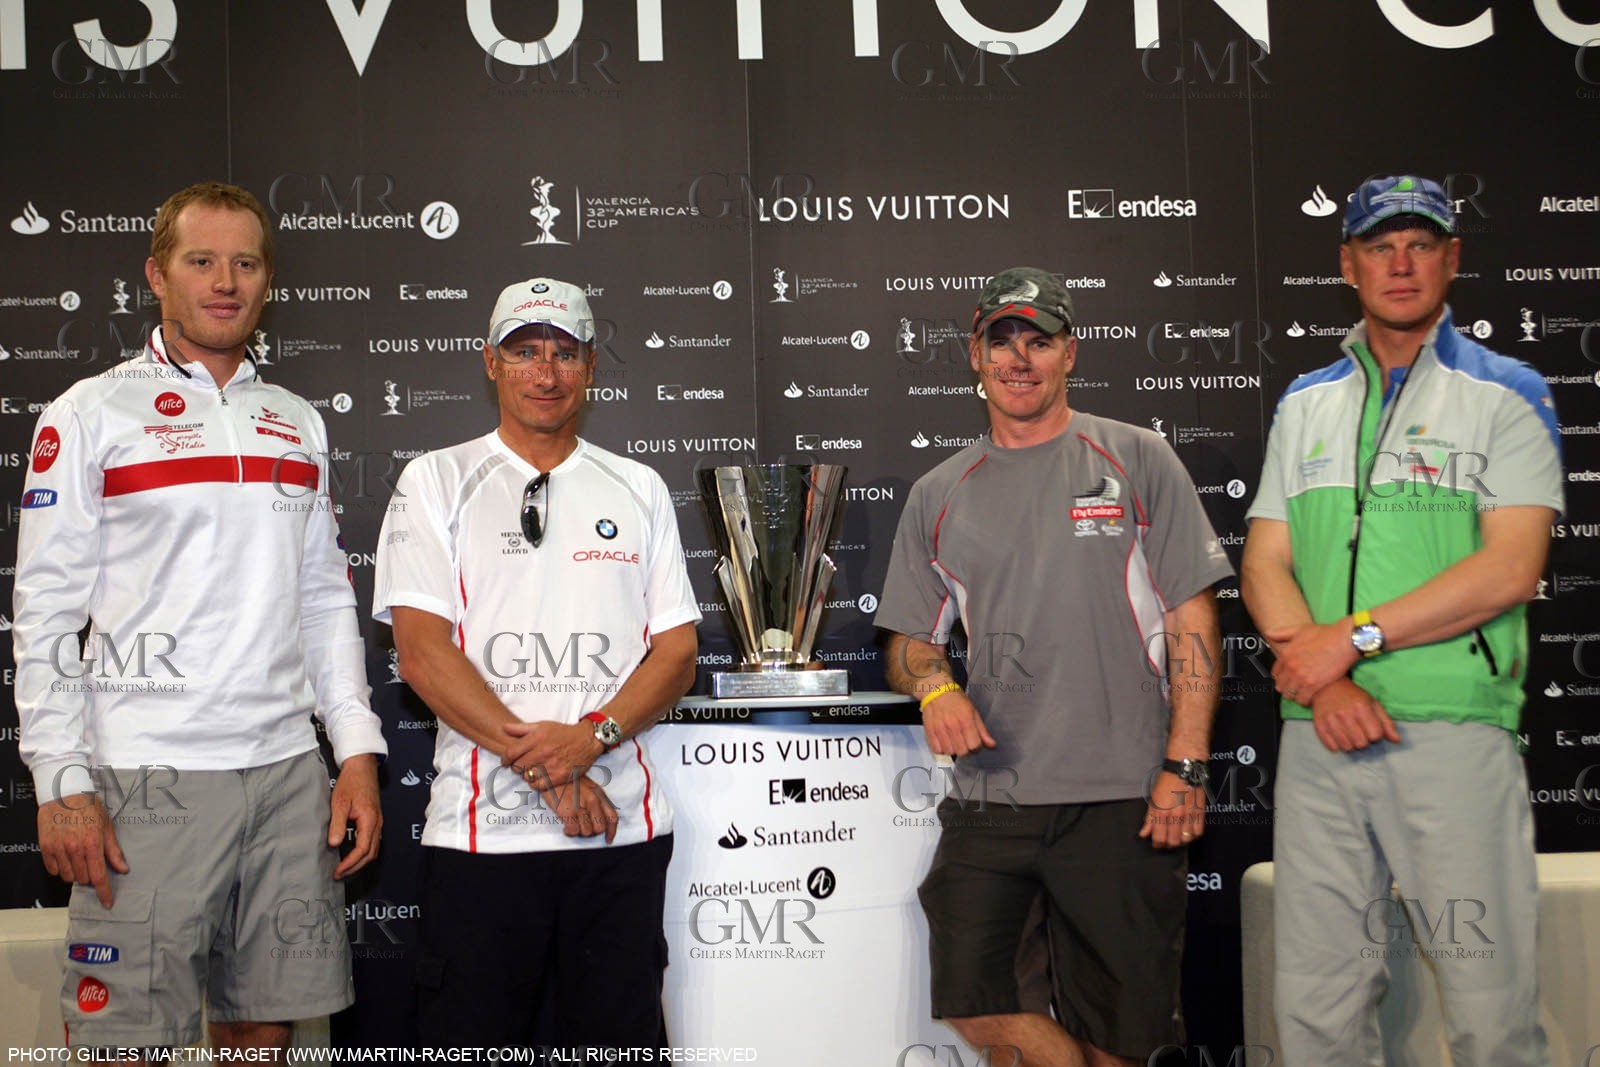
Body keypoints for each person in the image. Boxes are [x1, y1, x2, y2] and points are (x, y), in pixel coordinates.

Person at [12, 182, 386, 1050]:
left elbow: (325, 599)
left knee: (264, 1029)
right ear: (157, 275)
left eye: (246, 263)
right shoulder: (90, 412)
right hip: (147, 773)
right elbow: (43, 611)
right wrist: (61, 781)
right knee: (123, 1039)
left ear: (267, 282)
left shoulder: (294, 420)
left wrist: (357, 751)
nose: (225, 281)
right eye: (202, 261)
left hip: (289, 772)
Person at [875, 267, 1232, 1067]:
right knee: (982, 1008)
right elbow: (907, 640)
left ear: (1070, 352)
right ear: (975, 356)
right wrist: (935, 686)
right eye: (1002, 342)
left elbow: (1192, 618)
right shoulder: (940, 491)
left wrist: (1186, 762)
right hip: (991, 795)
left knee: (1123, 1035)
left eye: (1039, 341)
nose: (1020, 359)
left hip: (1123, 795)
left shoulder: (1137, 457)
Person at [1241, 175, 1559, 1065]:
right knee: (1316, 1012)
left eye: (1421, 244)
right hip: (1321, 732)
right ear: (1348, 264)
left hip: (1451, 731)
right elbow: (1265, 560)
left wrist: (1355, 637)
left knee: (1491, 1010)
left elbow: (1510, 566)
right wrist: (1329, 675)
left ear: (1452, 258)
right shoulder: (1305, 400)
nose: (1402, 263)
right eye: (1381, 246)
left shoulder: (1508, 391)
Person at [372, 278, 699, 1051]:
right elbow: (421, 651)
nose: (545, 372)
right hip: (482, 837)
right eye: (525, 352)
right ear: (491, 361)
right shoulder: (436, 480)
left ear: (590, 367)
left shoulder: (639, 486)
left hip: (617, 835)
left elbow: (677, 653)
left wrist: (591, 738)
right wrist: (557, 768)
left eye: (564, 352)